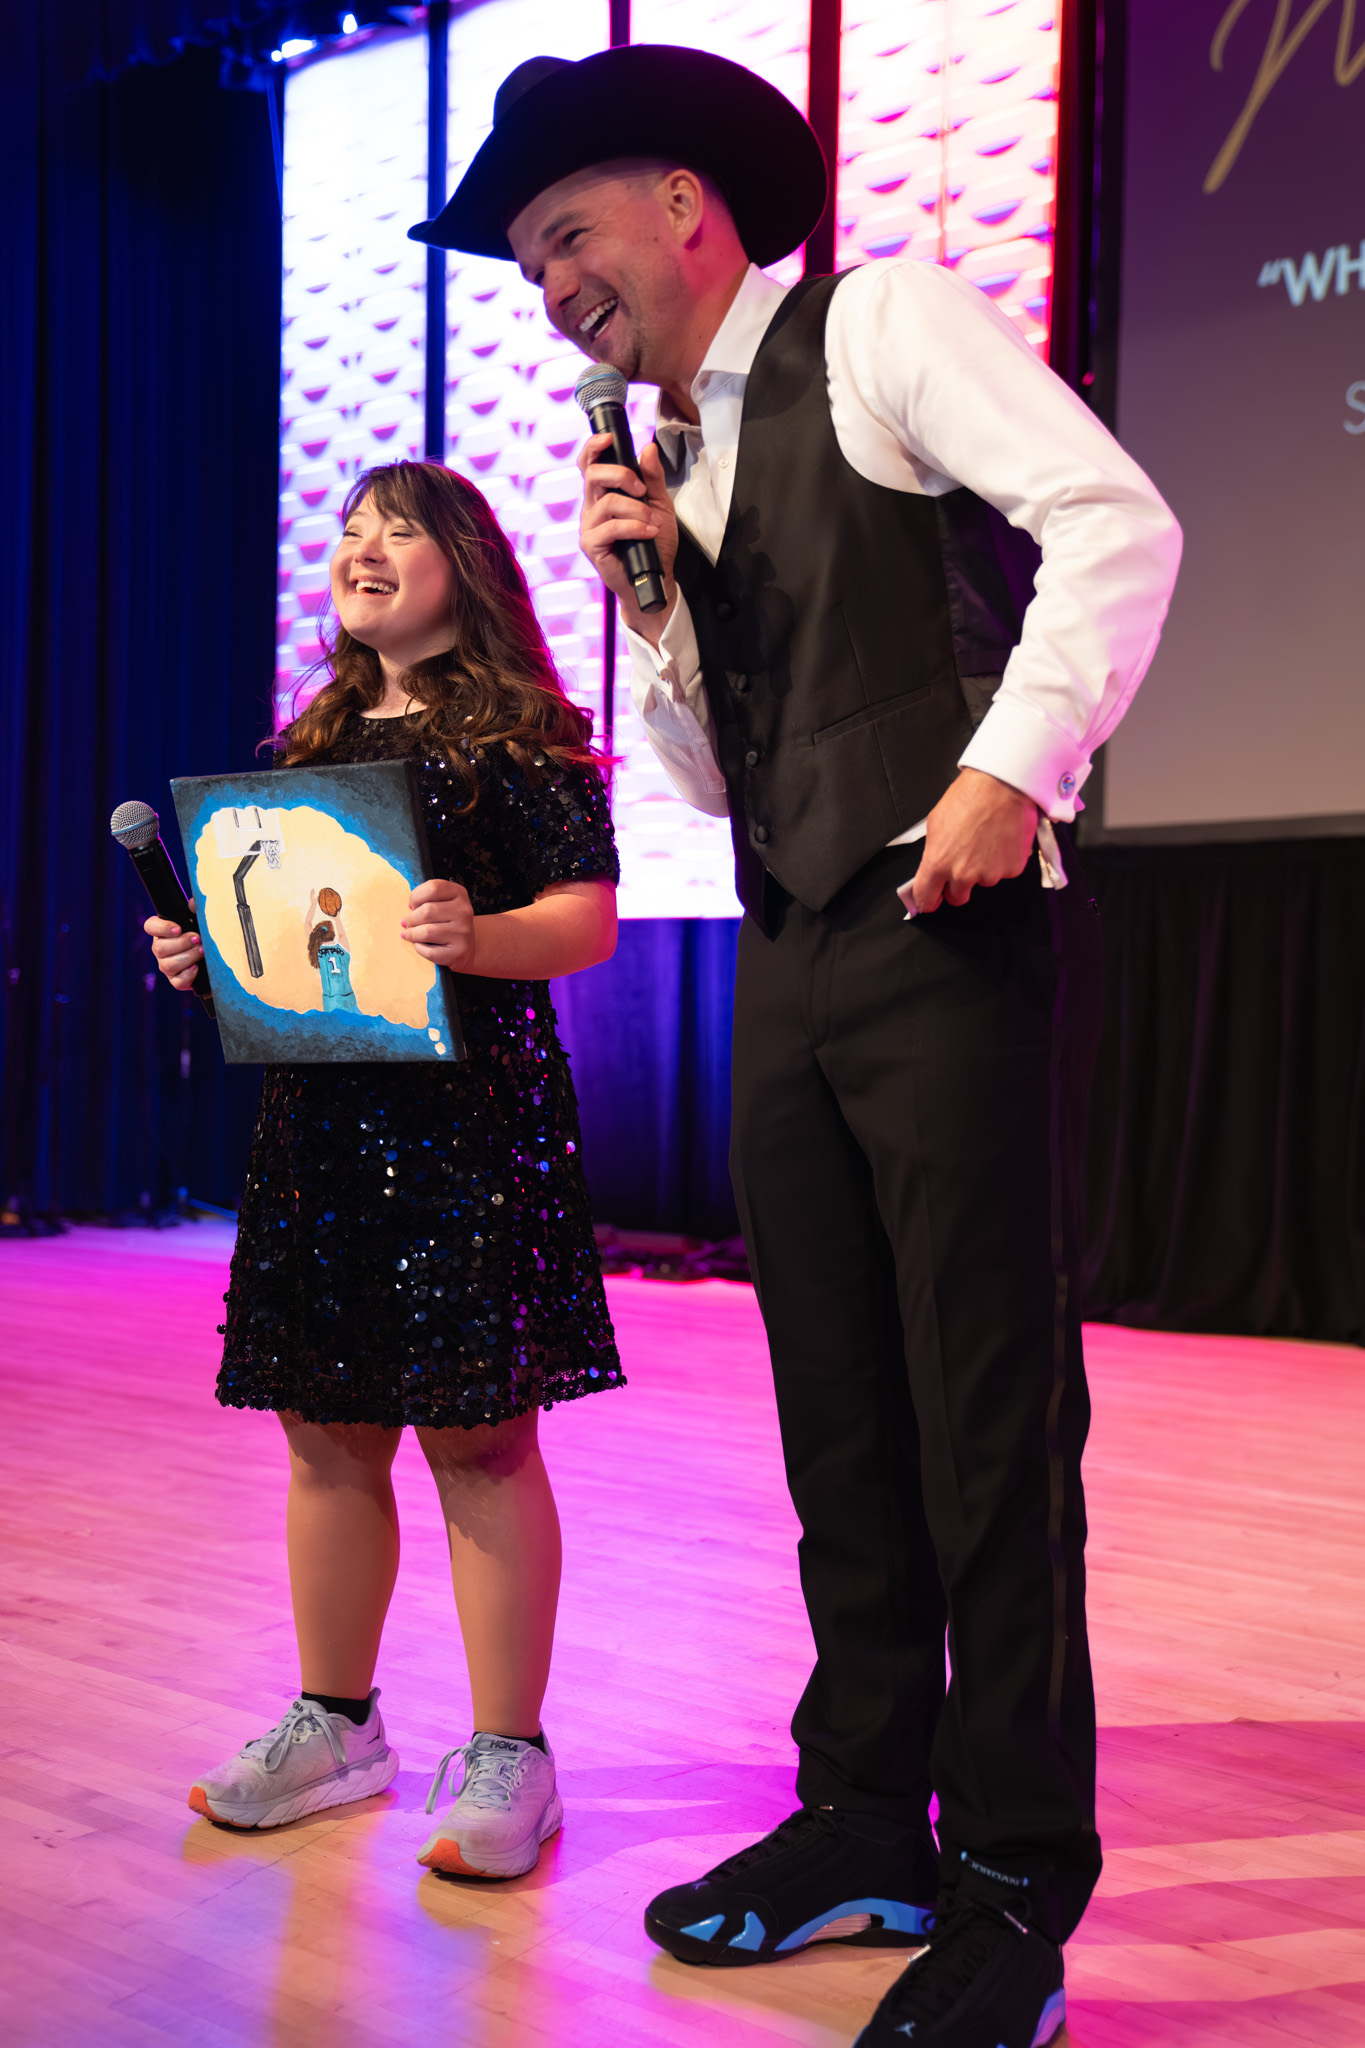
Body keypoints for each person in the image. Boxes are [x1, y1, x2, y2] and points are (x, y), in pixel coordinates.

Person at [409, 44, 1181, 2047]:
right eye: (524, 262)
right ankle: (861, 1815)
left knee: (987, 1424)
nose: (548, 286)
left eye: (565, 235)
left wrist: (1014, 766)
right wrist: (656, 605)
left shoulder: (882, 323)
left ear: (685, 206)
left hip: (956, 930)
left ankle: (1009, 1879)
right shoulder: (676, 462)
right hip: (792, 945)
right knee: (839, 1414)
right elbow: (702, 767)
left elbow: (1116, 520)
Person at [146, 459, 622, 1881]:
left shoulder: (528, 736)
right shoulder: (306, 746)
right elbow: (292, 932)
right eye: (348, 529)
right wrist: (211, 957)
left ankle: (511, 1753)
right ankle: (337, 1724)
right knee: (323, 1429)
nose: (358, 547)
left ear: (462, 564)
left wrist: (484, 936)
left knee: (483, 1440)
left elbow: (587, 919)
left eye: (392, 529)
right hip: (321, 1130)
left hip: (470, 1128)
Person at [306, 886, 357, 1011]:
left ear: (317, 936)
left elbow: (307, 924)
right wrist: (337, 918)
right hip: (348, 997)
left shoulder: (317, 951)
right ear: (333, 933)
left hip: (330, 1000)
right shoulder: (343, 949)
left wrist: (313, 904)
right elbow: (342, 935)